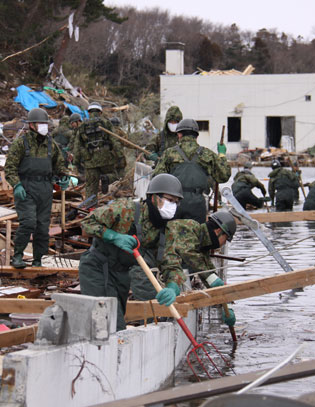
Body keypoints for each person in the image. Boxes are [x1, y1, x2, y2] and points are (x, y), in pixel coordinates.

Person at [79, 174, 184, 330]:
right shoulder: (126, 209)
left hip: (121, 274)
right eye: (169, 200)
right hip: (97, 267)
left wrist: (172, 287)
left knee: (117, 321)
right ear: (154, 197)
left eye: (176, 202)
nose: (172, 206)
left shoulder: (166, 230)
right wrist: (113, 236)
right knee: (109, 325)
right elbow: (86, 224)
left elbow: (172, 265)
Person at [5, 108, 71, 268]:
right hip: (26, 188)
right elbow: (9, 168)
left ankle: (38, 259)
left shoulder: (51, 145)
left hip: (45, 189)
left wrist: (64, 176)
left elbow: (59, 165)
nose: (44, 127)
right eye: (41, 124)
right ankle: (18, 255)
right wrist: (17, 184)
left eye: (45, 124)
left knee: (42, 227)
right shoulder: (21, 143)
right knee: (28, 222)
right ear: (32, 125)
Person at [160, 210, 238, 327]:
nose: (223, 244)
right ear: (218, 231)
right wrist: (212, 279)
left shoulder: (203, 244)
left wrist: (227, 305)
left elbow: (207, 270)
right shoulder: (189, 227)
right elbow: (188, 253)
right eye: (225, 239)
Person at [153, 118, 231, 223]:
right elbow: (224, 176)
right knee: (197, 235)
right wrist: (222, 155)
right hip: (198, 204)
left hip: (174, 202)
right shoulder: (207, 154)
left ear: (179, 135)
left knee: (173, 235)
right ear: (196, 136)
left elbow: (157, 179)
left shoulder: (169, 153)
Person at [73, 102, 125, 198]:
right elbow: (115, 140)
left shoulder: (82, 126)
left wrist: (76, 162)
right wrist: (120, 156)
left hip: (90, 160)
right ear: (100, 112)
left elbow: (77, 145)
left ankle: (90, 207)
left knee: (91, 187)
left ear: (89, 112)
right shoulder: (106, 123)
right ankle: (106, 178)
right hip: (106, 158)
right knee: (115, 176)